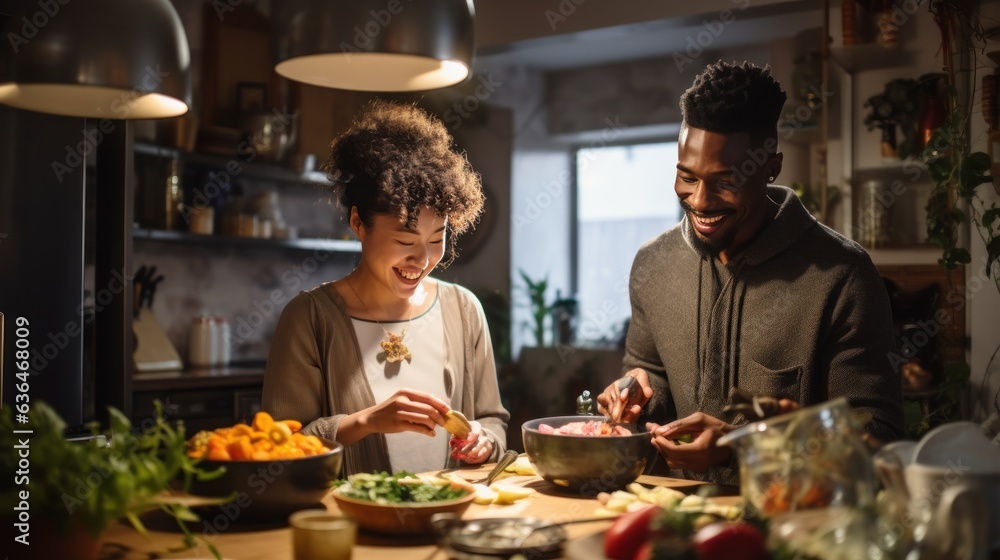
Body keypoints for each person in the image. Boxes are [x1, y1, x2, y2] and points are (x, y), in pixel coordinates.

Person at [597, 61, 905, 485]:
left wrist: (744, 447)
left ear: (770, 167)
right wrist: (636, 394)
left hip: (790, 537)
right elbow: (652, 374)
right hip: (675, 526)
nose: (700, 201)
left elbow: (875, 439)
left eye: (725, 181)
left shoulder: (842, 276)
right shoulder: (653, 264)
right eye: (687, 177)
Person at [262, 100, 508, 476]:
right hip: (350, 523)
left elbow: (493, 420)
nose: (423, 260)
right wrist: (366, 422)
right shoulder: (310, 318)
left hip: (447, 515)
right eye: (406, 241)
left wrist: (485, 440)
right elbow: (280, 445)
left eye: (437, 239)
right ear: (359, 223)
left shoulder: (463, 309)